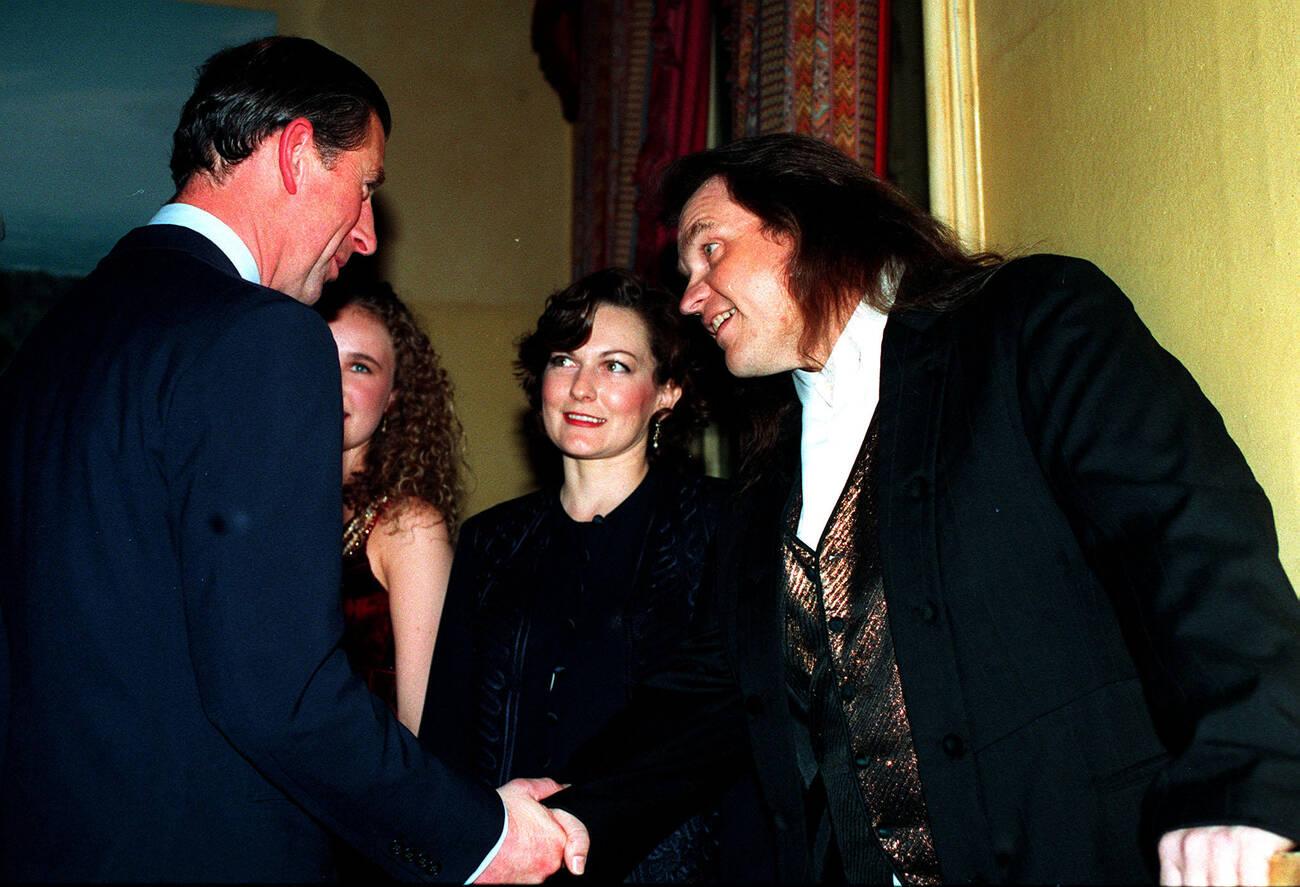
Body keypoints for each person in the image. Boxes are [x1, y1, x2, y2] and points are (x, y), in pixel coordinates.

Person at [541, 133, 1300, 885]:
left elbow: (1187, 534)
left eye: (709, 251)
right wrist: (569, 812)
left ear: (807, 221)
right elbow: (710, 698)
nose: (690, 296)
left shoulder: (1027, 323)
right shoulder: (761, 487)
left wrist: (1247, 773)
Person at [0, 36, 584, 882]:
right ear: (298, 151)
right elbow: (278, 691)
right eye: (367, 188)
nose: (369, 234)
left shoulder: (52, 341)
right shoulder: (262, 336)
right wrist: (484, 833)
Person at [421, 268, 743, 881]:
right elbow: (447, 738)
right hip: (509, 867)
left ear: (667, 391)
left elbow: (719, 734)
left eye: (616, 366)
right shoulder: (490, 542)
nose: (581, 389)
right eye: (565, 361)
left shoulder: (724, 527)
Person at [320, 283, 463, 735]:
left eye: (359, 367)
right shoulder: (265, 511)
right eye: (317, 355)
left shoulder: (409, 527)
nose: (332, 382)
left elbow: (426, 730)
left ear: (394, 396)